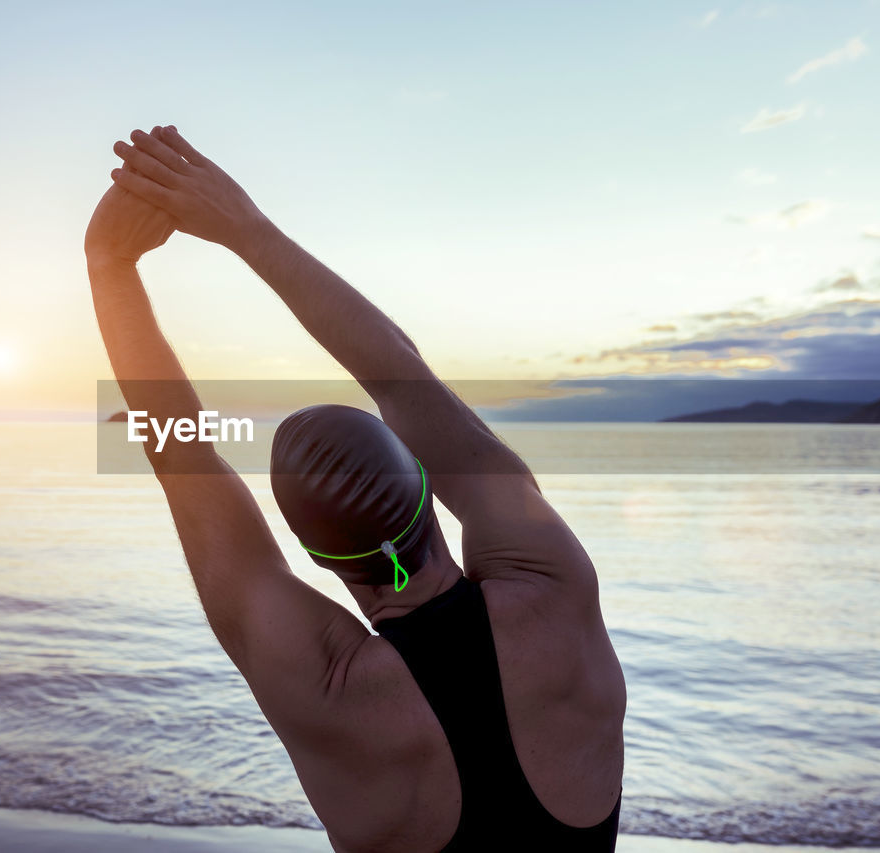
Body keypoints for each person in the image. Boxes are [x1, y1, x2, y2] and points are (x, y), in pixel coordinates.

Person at [85, 125, 626, 852]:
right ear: (430, 486)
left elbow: (184, 457)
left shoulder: (327, 688)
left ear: (314, 555)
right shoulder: (553, 588)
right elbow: (398, 373)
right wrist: (246, 229)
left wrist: (109, 266)